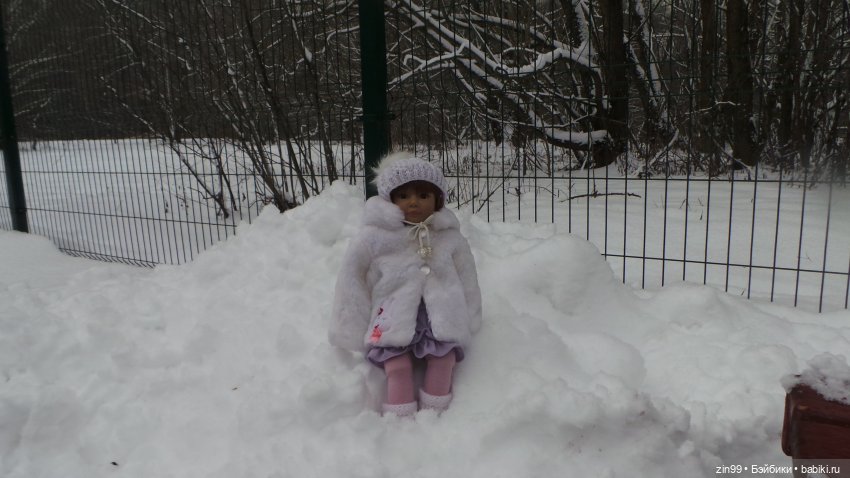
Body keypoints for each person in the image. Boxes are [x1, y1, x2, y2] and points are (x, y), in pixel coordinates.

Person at [329, 152, 482, 416]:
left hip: (441, 316)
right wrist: (351, 323)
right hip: (392, 315)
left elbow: (468, 278)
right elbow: (352, 279)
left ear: (437, 201)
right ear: (390, 200)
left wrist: (470, 316)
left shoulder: (450, 238)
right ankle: (399, 420)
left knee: (443, 360)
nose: (414, 203)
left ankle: (435, 414)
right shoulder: (374, 238)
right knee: (397, 366)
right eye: (404, 196)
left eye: (423, 196)